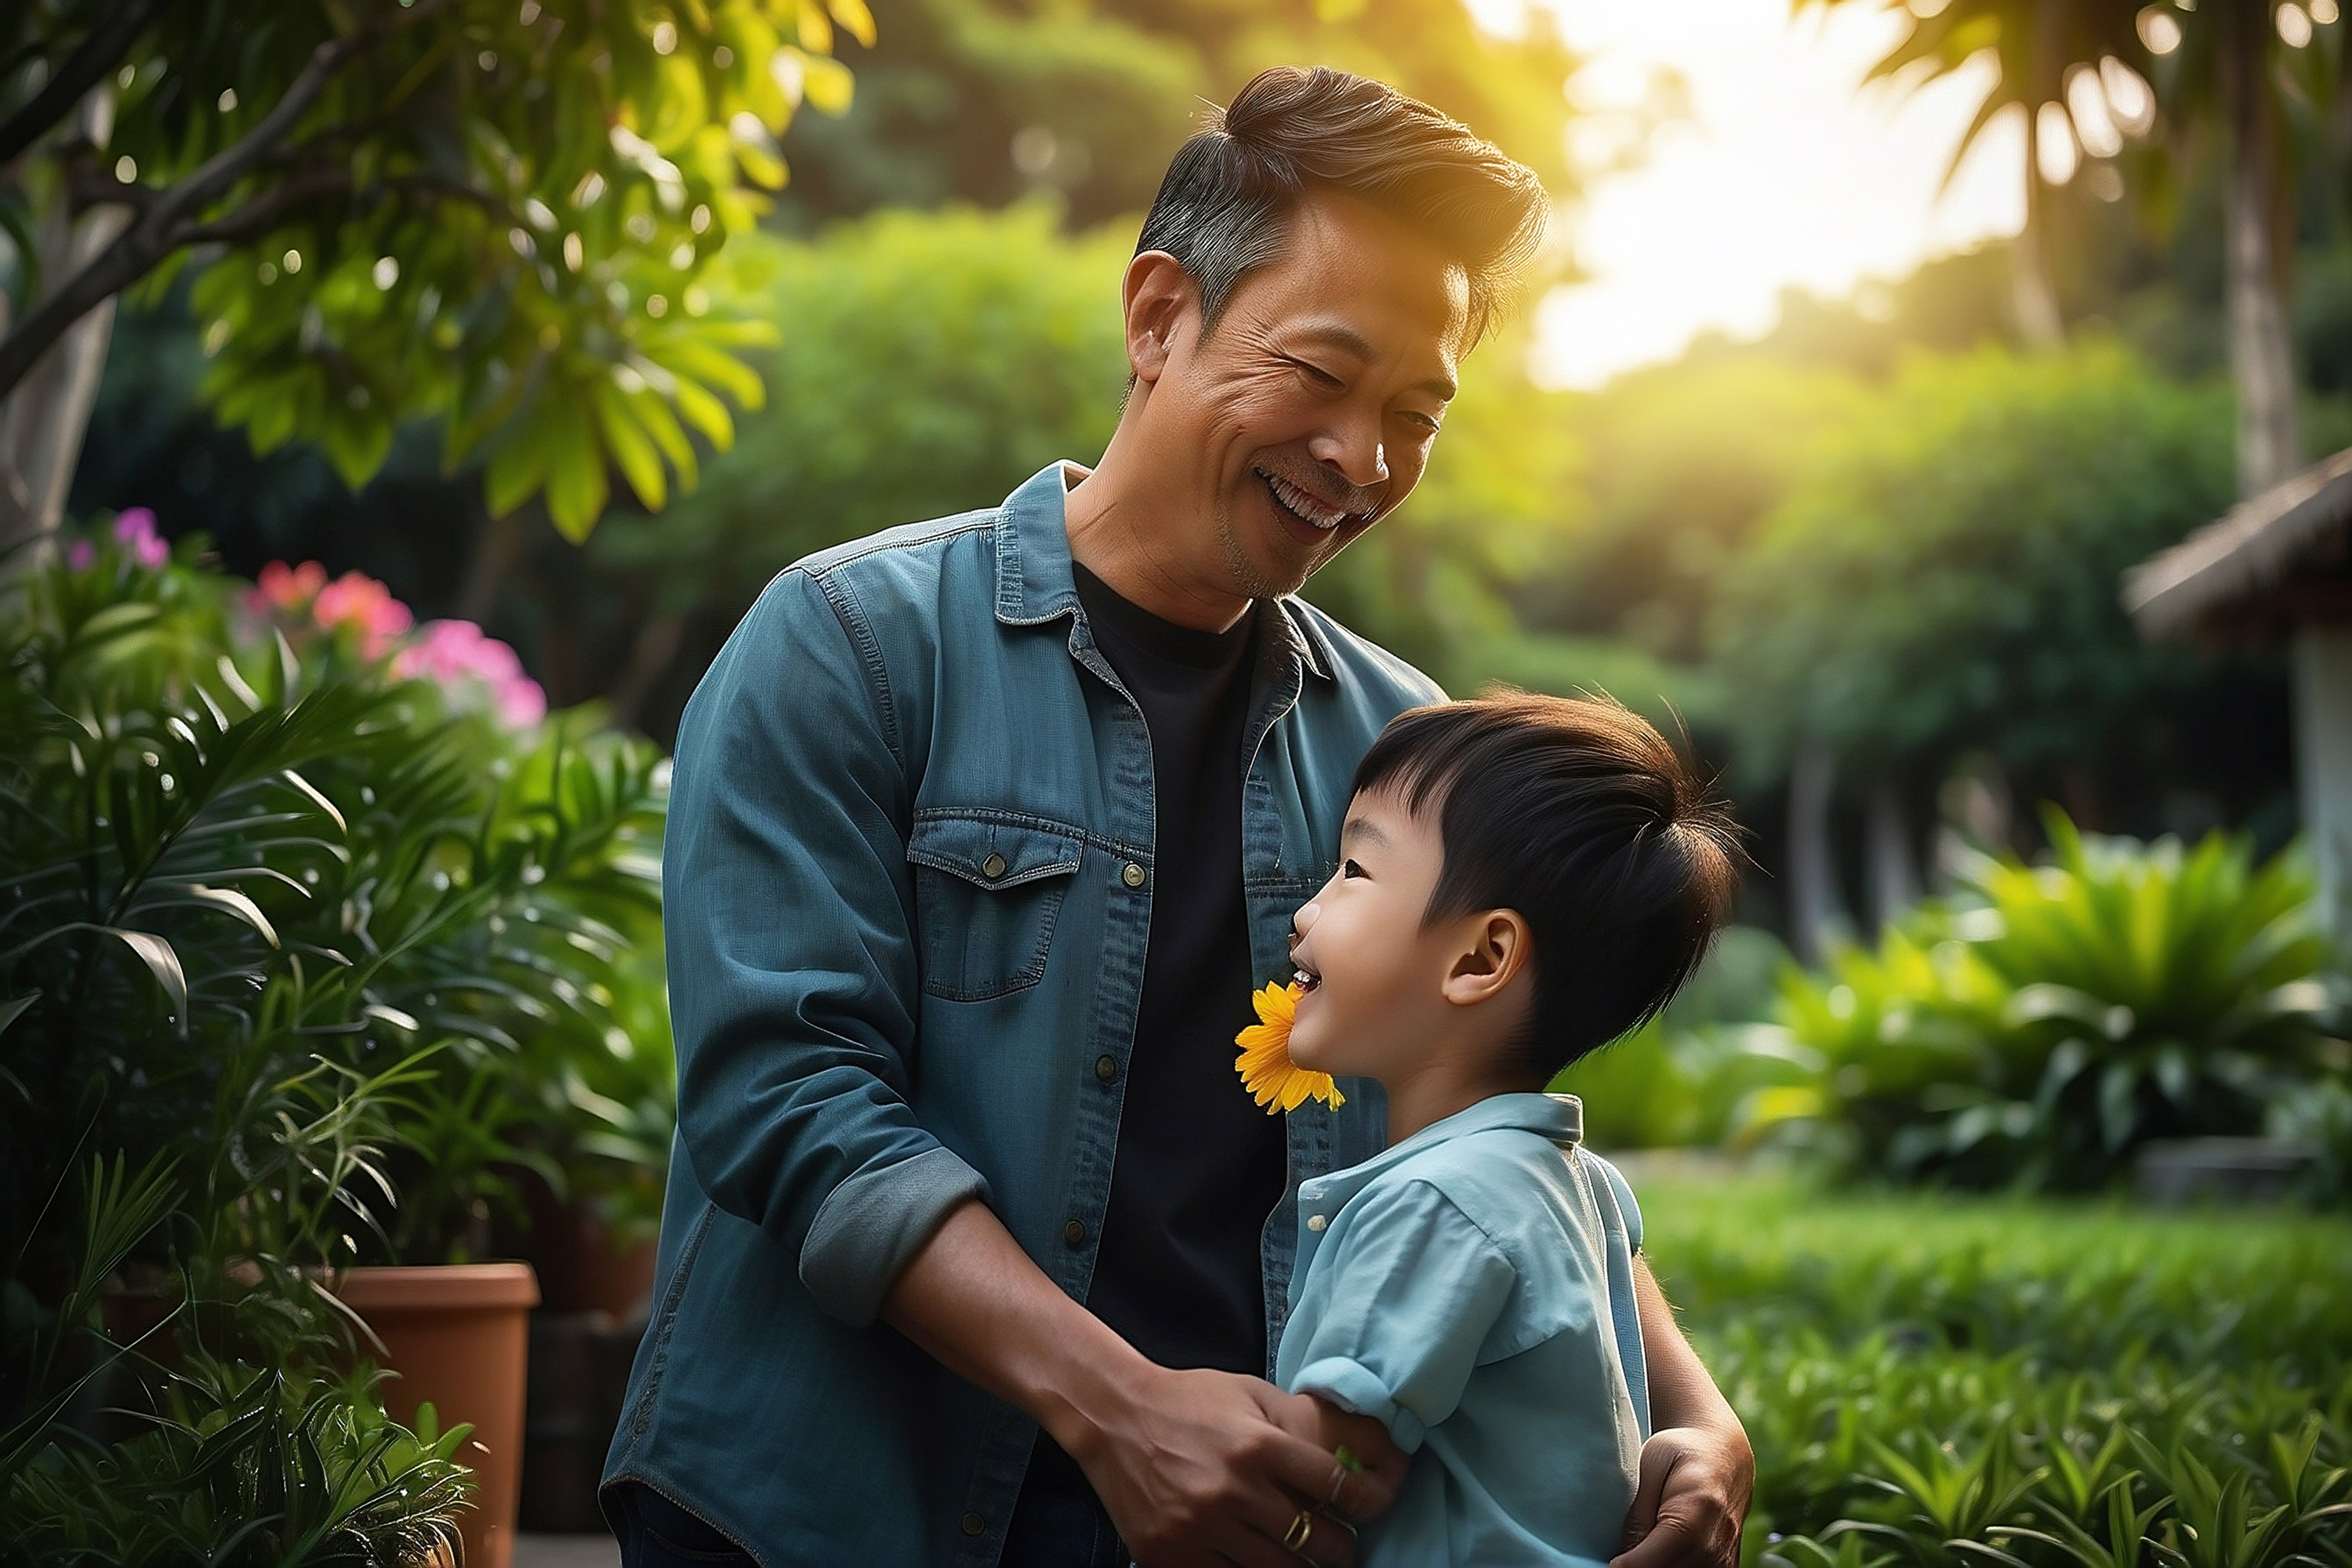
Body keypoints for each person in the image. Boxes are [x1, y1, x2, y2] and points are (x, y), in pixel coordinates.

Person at [602, 64, 1757, 1568]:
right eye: (1320, 376)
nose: (1364, 461)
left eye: (1414, 414)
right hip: (834, 1510)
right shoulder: (848, 645)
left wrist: (1698, 1411)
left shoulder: (1403, 741)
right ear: (1158, 319)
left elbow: (1502, 1113)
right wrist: (1120, 1408)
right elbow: (790, 1106)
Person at [1264, 694, 1740, 1566]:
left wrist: (1130, 1406)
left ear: (1480, 958)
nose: (1306, 911)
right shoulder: (1581, 1183)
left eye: (1353, 872)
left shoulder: (1435, 1204)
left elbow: (1330, 1456)